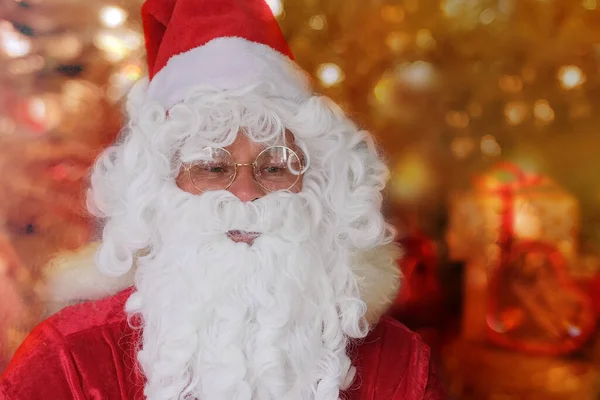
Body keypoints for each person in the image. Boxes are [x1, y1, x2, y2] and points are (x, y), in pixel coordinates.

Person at [0, 0, 447, 398]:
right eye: (212, 168)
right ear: (158, 190)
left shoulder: (401, 367)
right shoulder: (67, 363)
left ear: (318, 185)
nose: (247, 194)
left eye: (274, 167)